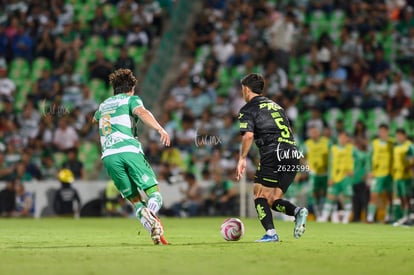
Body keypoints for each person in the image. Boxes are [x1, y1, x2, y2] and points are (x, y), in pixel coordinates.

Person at [92, 68, 171, 245]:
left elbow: (94, 119)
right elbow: (142, 112)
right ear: (131, 88)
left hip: (109, 156)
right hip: (128, 150)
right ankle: (151, 214)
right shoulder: (131, 99)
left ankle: (154, 230)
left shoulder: (103, 105)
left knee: (136, 202)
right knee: (154, 194)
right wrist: (160, 128)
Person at [235, 73, 308, 242]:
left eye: (242, 90)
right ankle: (297, 212)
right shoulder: (277, 106)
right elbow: (289, 131)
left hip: (273, 152)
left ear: (246, 89)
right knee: (273, 199)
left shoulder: (248, 109)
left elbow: (247, 136)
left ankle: (271, 234)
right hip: (292, 153)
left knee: (259, 195)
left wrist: (242, 158)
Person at [318, 131, 356, 223]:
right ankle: (324, 217)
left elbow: (362, 159)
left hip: (345, 177)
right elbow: (330, 165)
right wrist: (330, 177)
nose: (342, 139)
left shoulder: (352, 148)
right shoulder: (333, 149)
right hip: (334, 177)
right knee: (330, 197)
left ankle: (346, 218)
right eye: (341, 137)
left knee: (347, 198)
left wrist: (354, 170)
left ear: (347, 139)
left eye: (344, 137)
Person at [366, 124, 394, 223]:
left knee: (389, 196)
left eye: (384, 131)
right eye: (380, 131)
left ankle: (388, 217)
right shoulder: (374, 143)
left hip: (389, 173)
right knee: (374, 196)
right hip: (377, 174)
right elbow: (369, 157)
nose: (382, 133)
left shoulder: (392, 142)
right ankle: (370, 217)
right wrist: (370, 170)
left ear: (388, 131)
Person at [303, 125, 330, 219]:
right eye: (312, 133)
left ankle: (324, 212)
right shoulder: (307, 143)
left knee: (324, 192)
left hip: (325, 172)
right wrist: (306, 167)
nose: (313, 134)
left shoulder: (326, 142)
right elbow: (302, 157)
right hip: (313, 173)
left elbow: (332, 155)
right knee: (314, 192)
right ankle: (318, 213)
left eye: (315, 132)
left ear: (319, 133)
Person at [392, 129, 414, 226]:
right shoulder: (396, 147)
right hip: (397, 176)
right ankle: (403, 217)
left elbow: (411, 159)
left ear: (404, 136)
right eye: (397, 135)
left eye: (400, 135)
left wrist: (409, 167)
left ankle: (408, 217)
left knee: (406, 197)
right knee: (400, 197)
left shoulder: (409, 146)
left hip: (406, 176)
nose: (399, 137)